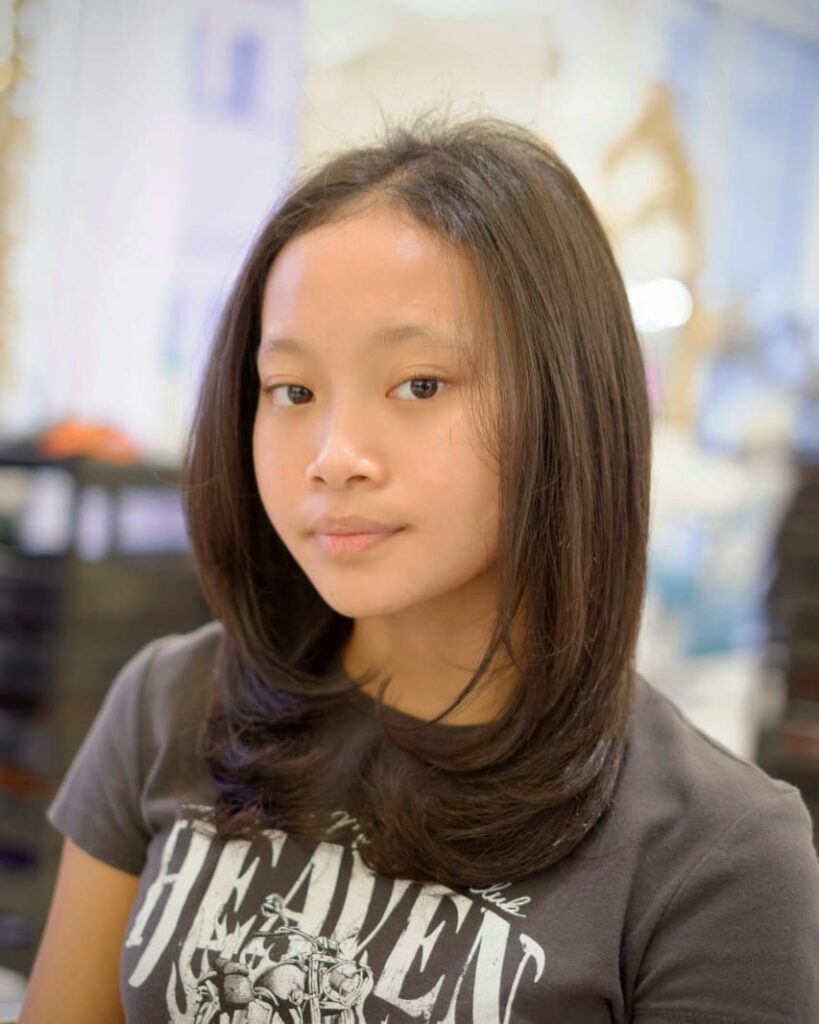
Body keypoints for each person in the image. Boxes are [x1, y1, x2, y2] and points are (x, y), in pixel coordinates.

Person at [21, 112, 819, 1023]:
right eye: (292, 391)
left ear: (565, 405)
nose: (334, 454)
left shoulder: (718, 853)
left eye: (419, 385)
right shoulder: (170, 701)